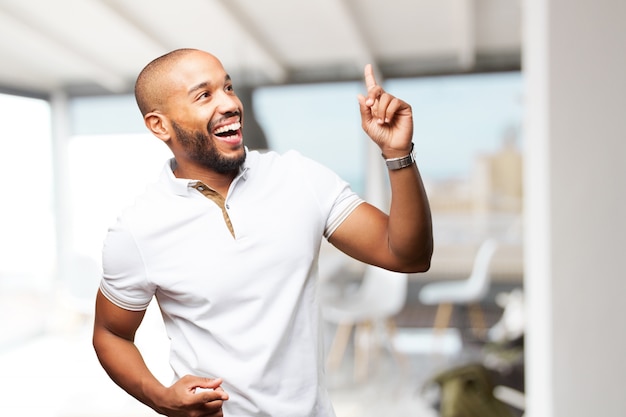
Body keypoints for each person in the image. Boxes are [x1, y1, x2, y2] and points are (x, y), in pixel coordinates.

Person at [92, 48, 433, 417]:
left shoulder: (299, 178)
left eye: (228, 87)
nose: (229, 103)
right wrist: (159, 396)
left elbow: (407, 255)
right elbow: (111, 334)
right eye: (204, 95)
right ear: (160, 125)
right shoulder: (138, 228)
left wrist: (398, 154)